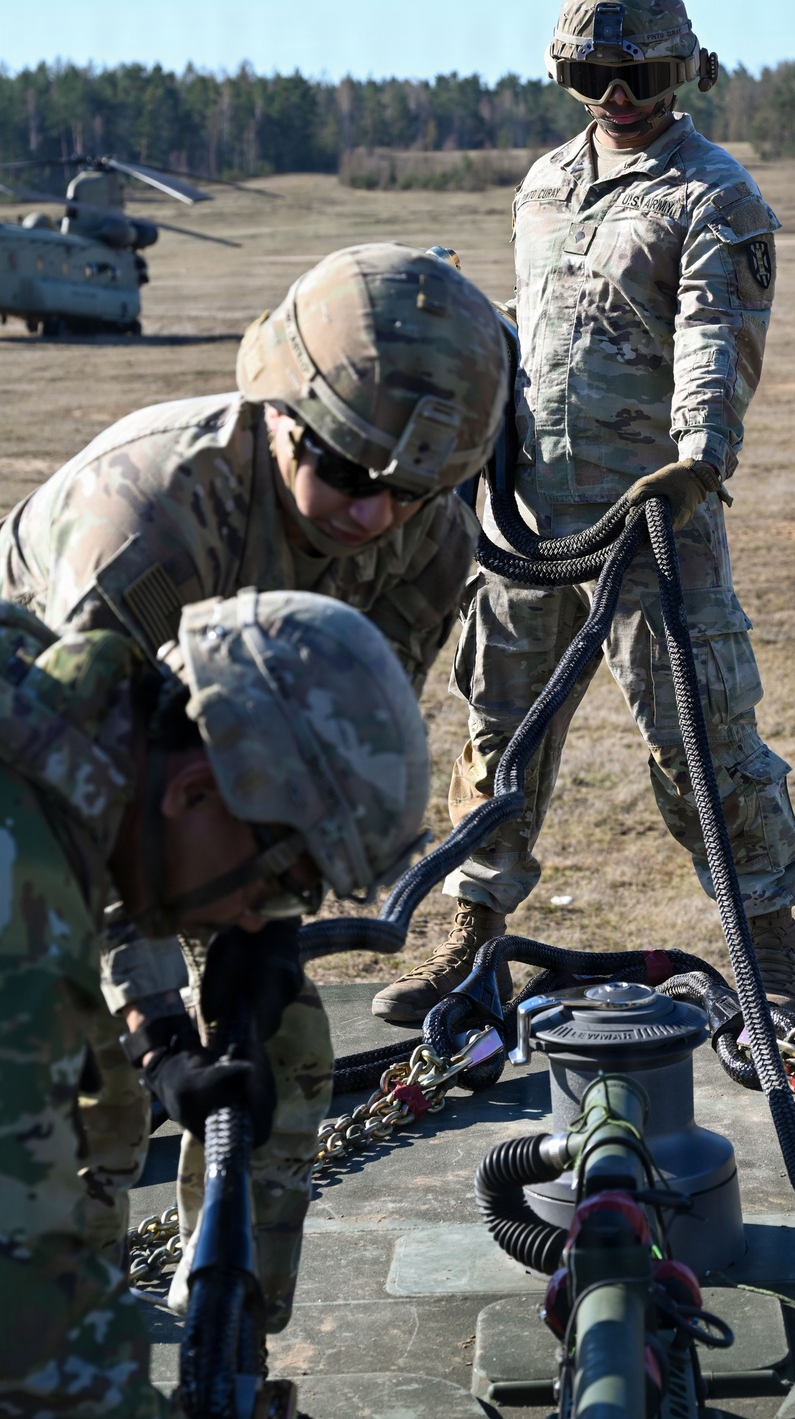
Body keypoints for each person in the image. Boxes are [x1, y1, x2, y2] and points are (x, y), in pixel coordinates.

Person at [0, 242, 507, 1327]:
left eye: (412, 489)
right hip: (50, 785)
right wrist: (154, 1025)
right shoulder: (141, 532)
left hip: (201, 795)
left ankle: (231, 1331)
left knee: (282, 1050)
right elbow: (74, 810)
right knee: (96, 1088)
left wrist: (265, 930)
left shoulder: (425, 541)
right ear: (279, 414)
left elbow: (334, 757)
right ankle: (67, 1330)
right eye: (347, 473)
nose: (373, 515)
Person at [374, 0, 795, 1027]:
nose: (616, 97)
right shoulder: (540, 185)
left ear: (683, 72)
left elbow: (716, 334)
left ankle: (767, 948)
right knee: (497, 733)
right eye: (589, 75)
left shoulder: (713, 193)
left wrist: (699, 457)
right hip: (526, 524)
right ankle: (473, 939)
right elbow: (531, 329)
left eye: (640, 75)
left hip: (654, 521)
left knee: (700, 739)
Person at [0, 588, 430, 1418]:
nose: (255, 915)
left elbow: (98, 832)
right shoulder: (22, 942)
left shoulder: (60, 695)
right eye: (278, 875)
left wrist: (164, 1031)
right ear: (194, 793)